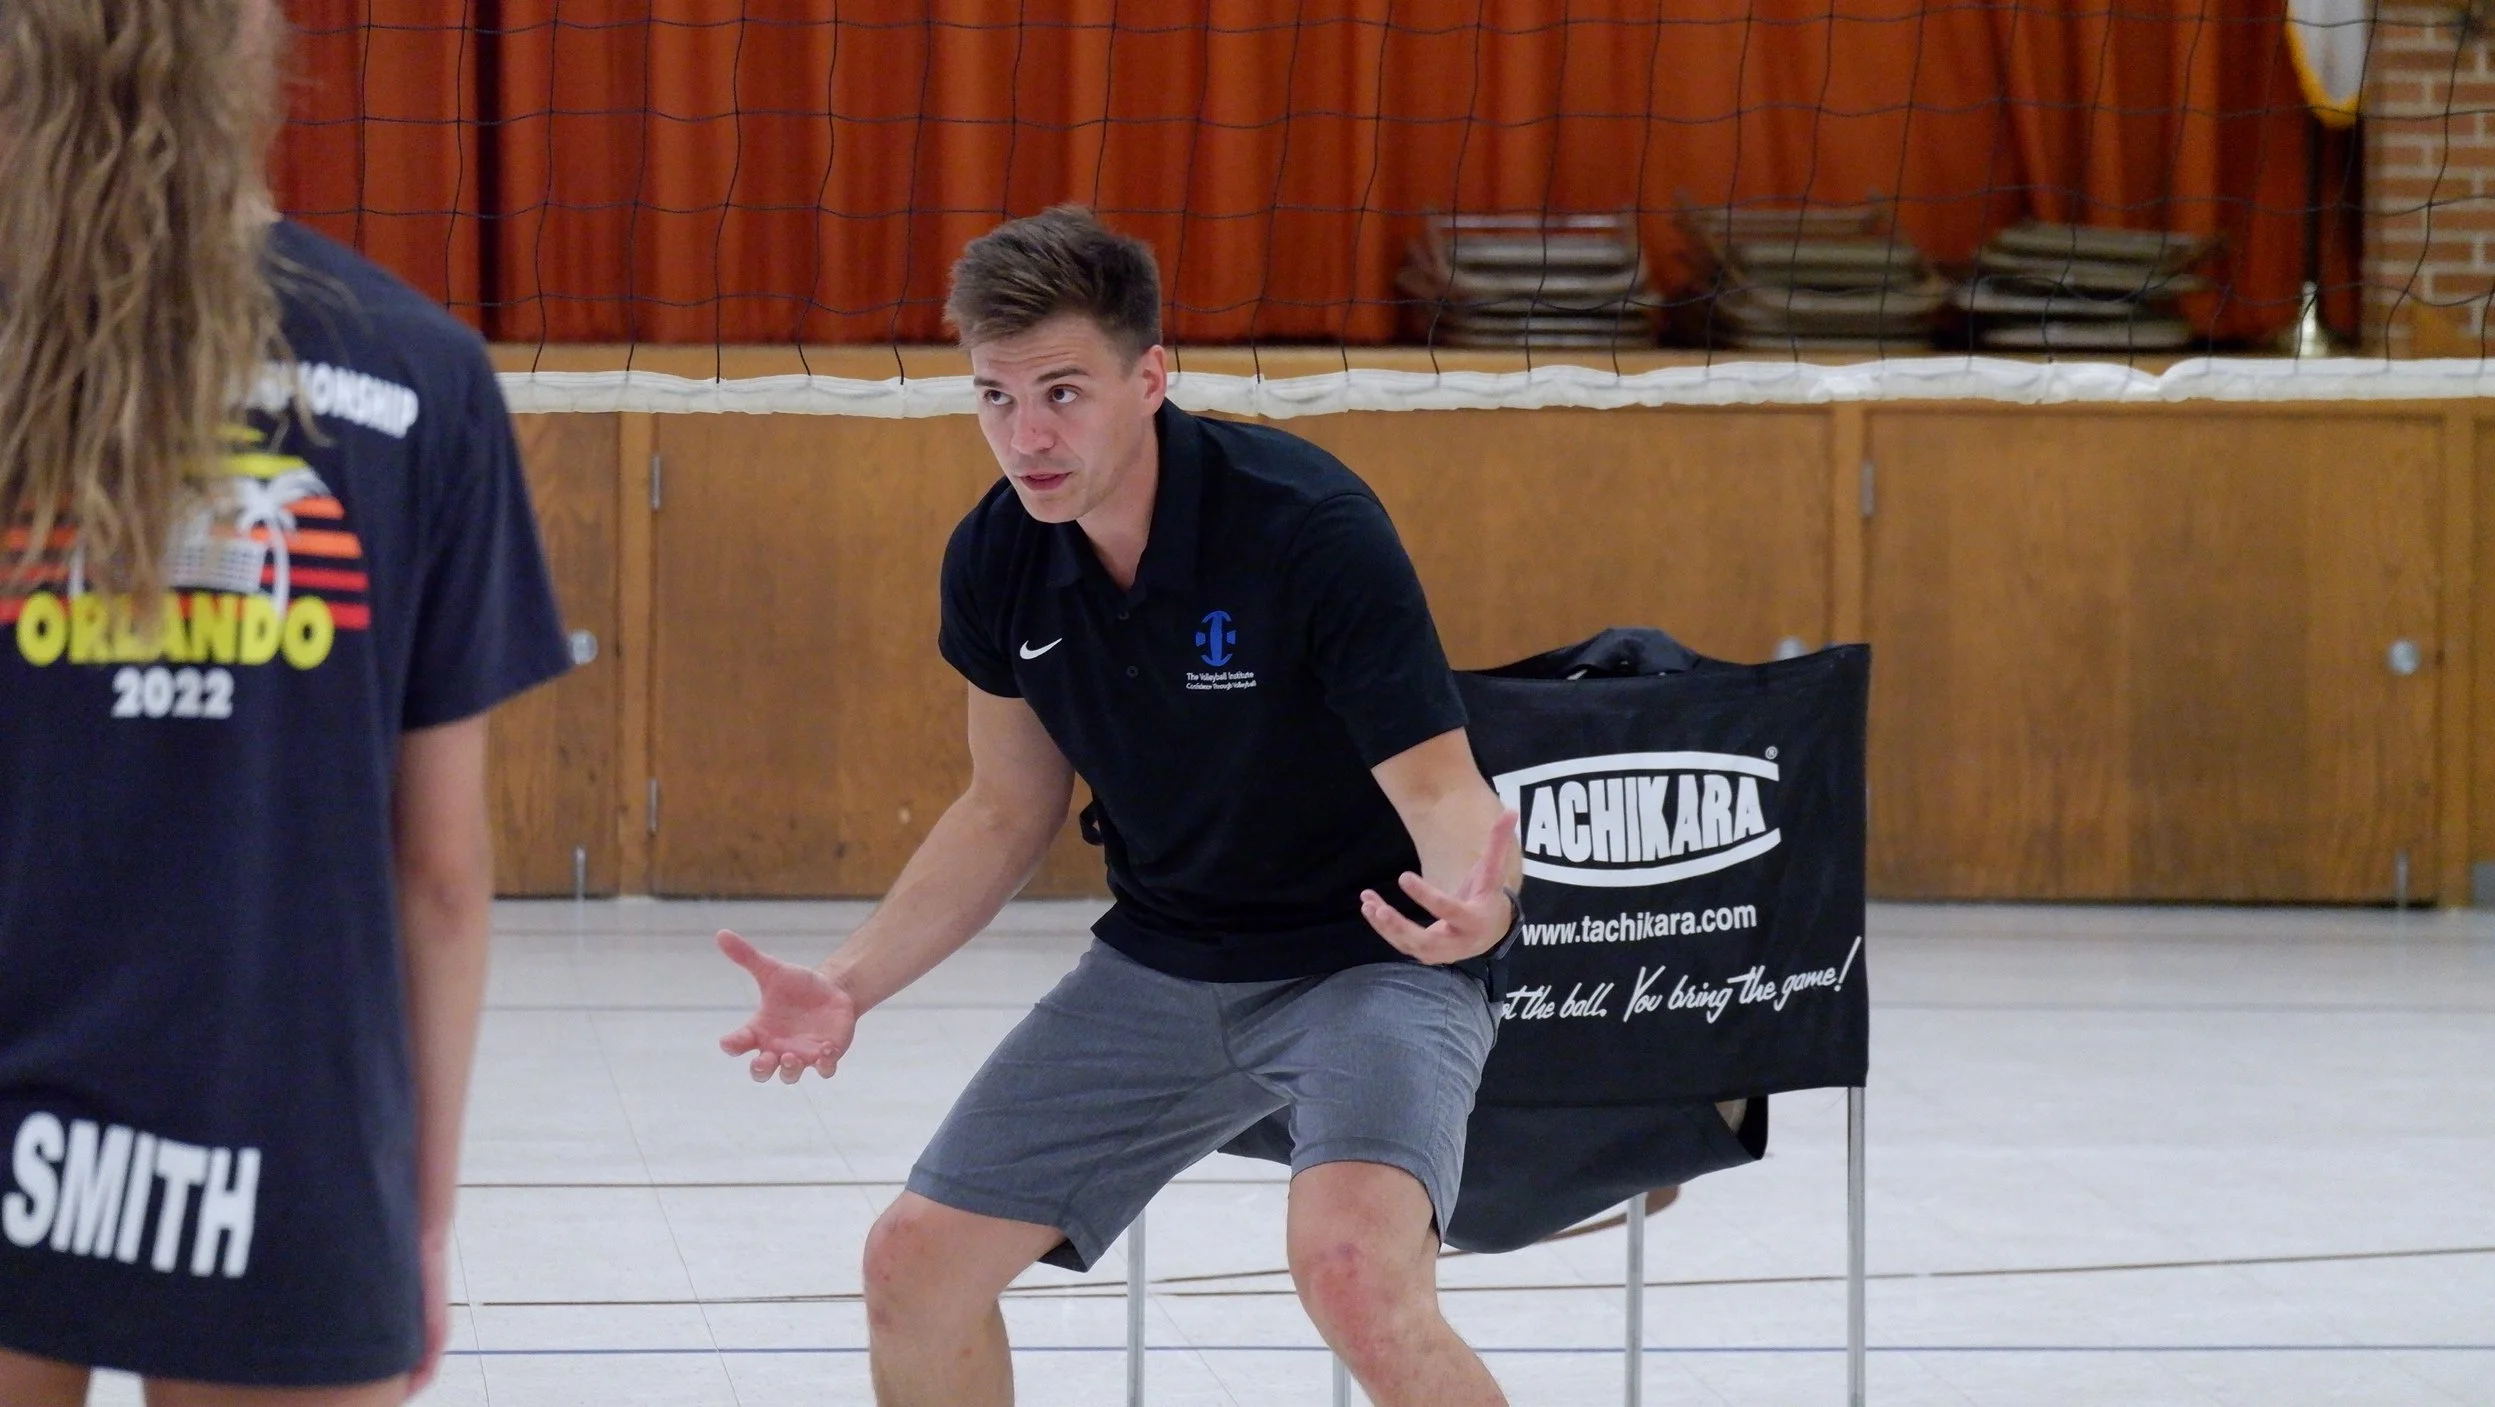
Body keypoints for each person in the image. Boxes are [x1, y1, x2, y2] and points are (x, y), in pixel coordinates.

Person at [716, 206, 1523, 1407]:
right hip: (1163, 960)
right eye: (994, 396)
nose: (1026, 436)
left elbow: (1438, 788)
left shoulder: (1308, 529)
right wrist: (847, 983)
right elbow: (1002, 809)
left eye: (1061, 392)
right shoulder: (997, 557)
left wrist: (1483, 911)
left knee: (1353, 1272)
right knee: (914, 1264)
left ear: (1151, 377)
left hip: (1371, 959)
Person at [0, 2, 572, 1403]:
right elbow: (438, 877)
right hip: (288, 1144)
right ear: (253, 56)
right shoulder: (415, 367)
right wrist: (417, 1219)